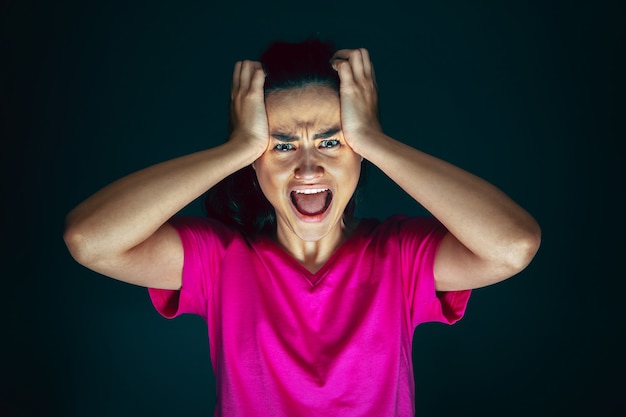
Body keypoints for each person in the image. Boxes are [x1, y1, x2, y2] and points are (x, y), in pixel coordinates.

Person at [64, 38, 541, 416]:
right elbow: (89, 240)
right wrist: (236, 148)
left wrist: (374, 139)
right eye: (282, 146)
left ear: (360, 154)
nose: (308, 168)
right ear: (255, 161)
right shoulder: (219, 261)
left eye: (333, 142)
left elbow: (513, 245)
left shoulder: (400, 256)